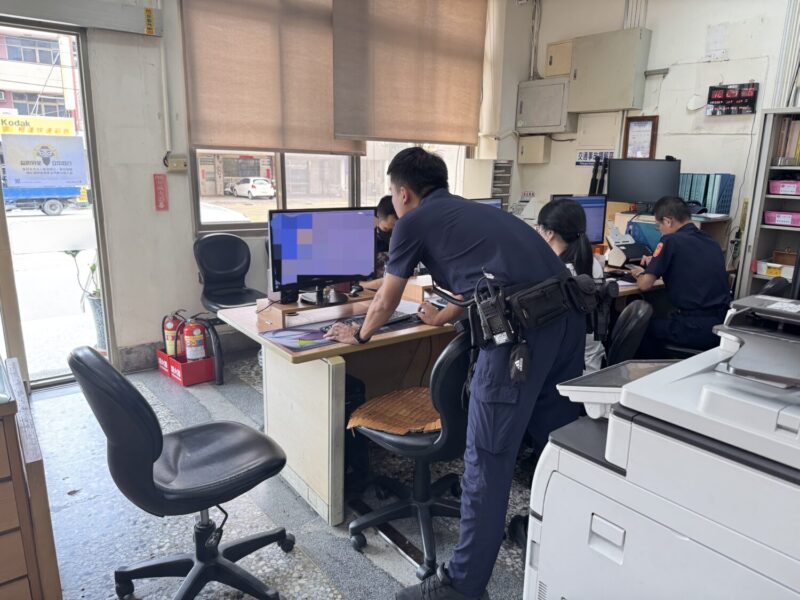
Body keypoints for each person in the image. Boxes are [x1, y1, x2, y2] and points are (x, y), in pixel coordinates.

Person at [324, 148, 585, 600]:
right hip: (567, 321)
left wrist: (359, 335)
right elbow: (485, 283)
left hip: (519, 337)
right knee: (556, 442)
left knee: (487, 460)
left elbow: (386, 299)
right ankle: (561, 539)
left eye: (393, 193)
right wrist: (444, 316)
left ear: (404, 193)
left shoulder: (412, 222)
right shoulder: (476, 213)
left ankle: (462, 586)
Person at [629, 196, 730, 353]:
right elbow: (689, 268)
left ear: (668, 221)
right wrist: (657, 263)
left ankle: (647, 368)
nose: (660, 231)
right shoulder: (711, 242)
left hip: (694, 328)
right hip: (721, 326)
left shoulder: (670, 241)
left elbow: (644, 285)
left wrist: (640, 274)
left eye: (658, 227)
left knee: (638, 326)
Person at [536, 198, 606, 372]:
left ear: (549, 233)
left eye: (538, 228)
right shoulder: (592, 263)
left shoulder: (558, 274)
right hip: (590, 359)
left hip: (572, 367)